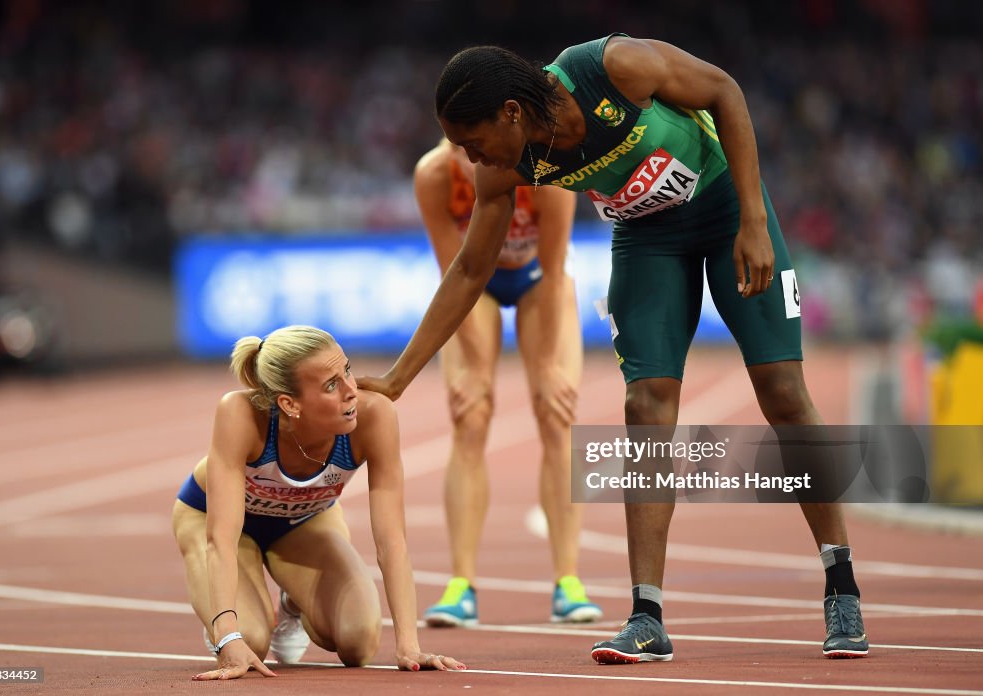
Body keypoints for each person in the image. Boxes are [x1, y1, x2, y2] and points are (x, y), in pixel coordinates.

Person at [358, 35, 869, 664]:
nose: (467, 156)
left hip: (723, 208)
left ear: (511, 112)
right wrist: (397, 379)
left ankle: (840, 584)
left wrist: (754, 223)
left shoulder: (610, 67)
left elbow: (724, 92)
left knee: (783, 393)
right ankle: (646, 615)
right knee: (646, 404)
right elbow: (469, 272)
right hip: (645, 237)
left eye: (471, 139)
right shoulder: (502, 168)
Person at [172, 325, 465, 680]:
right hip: (212, 520)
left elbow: (392, 541)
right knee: (249, 641)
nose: (352, 391)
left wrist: (409, 645)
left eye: (348, 370)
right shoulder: (240, 414)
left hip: (304, 522)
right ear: (289, 404)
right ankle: (226, 617)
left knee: (358, 642)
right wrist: (227, 633)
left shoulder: (375, 416)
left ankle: (290, 603)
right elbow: (221, 539)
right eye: (331, 385)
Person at [413, 138, 601, 625]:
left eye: (475, 148)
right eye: (459, 150)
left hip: (542, 278)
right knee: (470, 416)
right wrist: (475, 374)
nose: (469, 162)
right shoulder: (434, 176)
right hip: (477, 285)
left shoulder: (546, 171)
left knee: (555, 412)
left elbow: (556, 271)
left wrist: (547, 369)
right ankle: (461, 586)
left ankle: (568, 581)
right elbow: (457, 275)